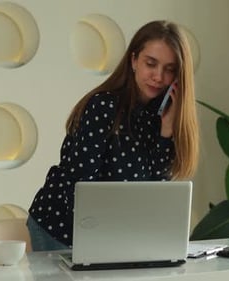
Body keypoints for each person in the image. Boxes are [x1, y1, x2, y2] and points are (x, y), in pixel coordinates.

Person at [26, 20, 200, 251]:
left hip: (112, 236)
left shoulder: (160, 116)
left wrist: (166, 132)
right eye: (151, 63)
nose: (159, 77)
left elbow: (155, 193)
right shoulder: (103, 107)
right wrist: (109, 241)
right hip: (61, 229)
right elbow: (80, 186)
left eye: (169, 69)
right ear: (134, 60)